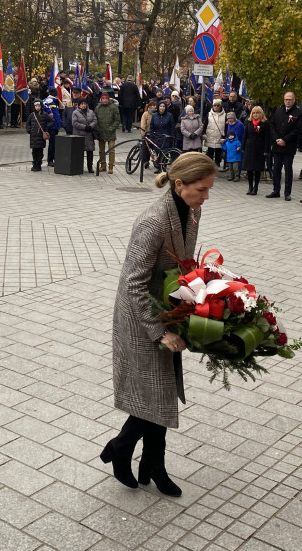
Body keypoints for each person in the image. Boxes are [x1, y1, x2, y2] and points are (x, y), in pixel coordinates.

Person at [105, 152, 216, 495]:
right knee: (155, 393)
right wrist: (160, 330)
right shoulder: (152, 221)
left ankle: (151, 463)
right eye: (202, 189)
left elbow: (182, 263)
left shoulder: (191, 209)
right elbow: (133, 283)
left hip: (167, 308)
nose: (206, 196)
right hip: (141, 316)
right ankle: (123, 449)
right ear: (179, 185)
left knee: (160, 392)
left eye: (209, 189)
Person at [267, 92, 302, 201]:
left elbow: (298, 129)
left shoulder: (298, 113)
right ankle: (276, 190)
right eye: (286, 99)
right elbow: (272, 125)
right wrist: (276, 138)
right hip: (277, 145)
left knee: (288, 169)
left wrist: (285, 140)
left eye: (290, 99)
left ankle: (287, 193)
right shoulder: (278, 111)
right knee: (276, 169)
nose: (288, 101)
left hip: (288, 146)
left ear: (294, 100)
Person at [241, 105, 269, 196]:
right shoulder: (249, 123)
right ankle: (250, 186)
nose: (255, 115)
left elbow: (267, 138)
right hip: (249, 147)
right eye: (254, 113)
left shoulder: (264, 124)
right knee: (249, 168)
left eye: (257, 113)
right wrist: (243, 146)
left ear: (261, 114)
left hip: (259, 148)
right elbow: (245, 135)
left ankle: (256, 187)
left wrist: (266, 150)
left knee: (257, 169)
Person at [95, 91, 120, 173]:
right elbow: (95, 119)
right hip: (101, 131)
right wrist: (97, 128)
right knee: (101, 150)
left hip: (111, 132)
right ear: (101, 99)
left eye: (106, 99)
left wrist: (112, 128)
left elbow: (117, 120)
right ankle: (103, 165)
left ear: (108, 99)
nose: (105, 100)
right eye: (103, 99)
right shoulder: (98, 108)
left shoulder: (113, 107)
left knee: (111, 150)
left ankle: (111, 167)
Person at [72, 98, 98, 174]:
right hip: (79, 135)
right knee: (79, 153)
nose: (83, 105)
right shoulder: (75, 113)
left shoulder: (91, 112)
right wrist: (84, 127)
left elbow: (95, 120)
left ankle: (90, 167)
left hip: (89, 135)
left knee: (90, 152)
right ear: (79, 105)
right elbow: (74, 123)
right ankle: (79, 167)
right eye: (82, 104)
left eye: (84, 104)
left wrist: (90, 126)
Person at [26, 100, 52, 172]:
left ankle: (38, 164)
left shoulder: (44, 114)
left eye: (39, 106)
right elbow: (28, 124)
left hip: (41, 137)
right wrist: (29, 130)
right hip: (33, 137)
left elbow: (52, 121)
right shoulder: (32, 115)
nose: (37, 107)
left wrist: (46, 128)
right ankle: (34, 163)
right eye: (36, 106)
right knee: (34, 151)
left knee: (40, 151)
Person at [203, 99, 226, 170]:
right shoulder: (209, 114)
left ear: (220, 106)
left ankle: (216, 165)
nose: (216, 107)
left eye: (217, 105)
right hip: (210, 135)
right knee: (210, 151)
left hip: (220, 136)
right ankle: (210, 166)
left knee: (218, 152)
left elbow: (226, 126)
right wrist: (204, 133)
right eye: (214, 105)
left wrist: (225, 135)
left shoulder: (225, 115)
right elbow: (205, 124)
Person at [222, 112, 243, 183]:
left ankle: (237, 175)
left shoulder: (239, 125)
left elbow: (237, 136)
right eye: (228, 119)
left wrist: (226, 140)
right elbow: (229, 134)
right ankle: (232, 175)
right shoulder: (229, 124)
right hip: (230, 144)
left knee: (237, 163)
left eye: (231, 118)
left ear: (234, 118)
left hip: (237, 143)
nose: (230, 120)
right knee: (231, 164)